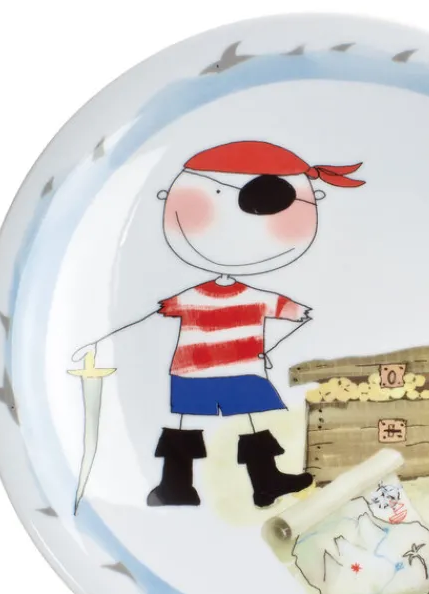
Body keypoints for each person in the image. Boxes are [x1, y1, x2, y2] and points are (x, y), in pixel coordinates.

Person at [72, 140, 365, 508]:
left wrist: (268, 349)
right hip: (206, 373)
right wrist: (101, 340)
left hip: (231, 372)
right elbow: (300, 316)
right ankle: (179, 485)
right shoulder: (199, 297)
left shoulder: (250, 297)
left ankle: (261, 483)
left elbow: (302, 316)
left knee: (245, 424)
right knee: (198, 425)